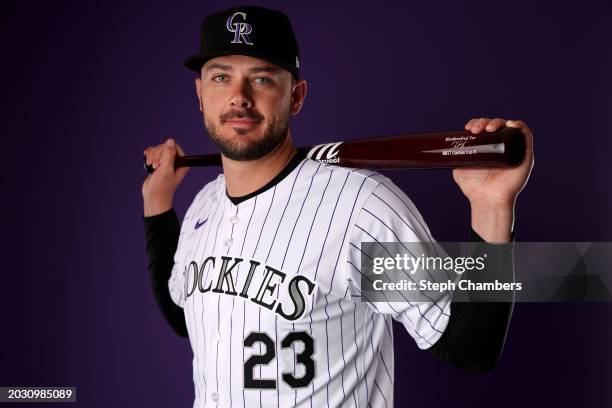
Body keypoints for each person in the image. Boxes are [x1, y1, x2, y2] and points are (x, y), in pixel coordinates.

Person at [141, 5, 534, 408]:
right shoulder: (203, 204)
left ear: (296, 96)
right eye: (221, 77)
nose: (239, 98)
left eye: (261, 78)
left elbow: (470, 348)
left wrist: (492, 207)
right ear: (200, 93)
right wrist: (157, 205)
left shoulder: (361, 207)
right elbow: (184, 316)